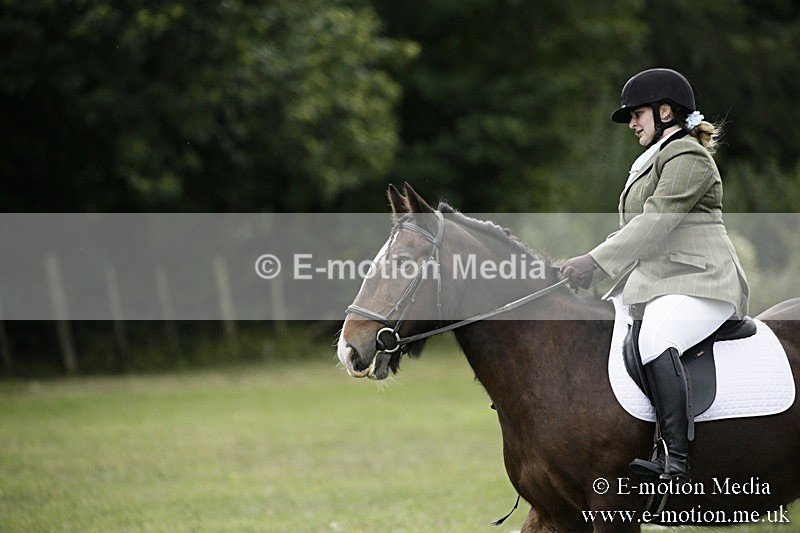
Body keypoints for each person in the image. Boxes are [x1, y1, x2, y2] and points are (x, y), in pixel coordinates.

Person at [561, 68, 749, 482]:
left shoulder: (688, 157)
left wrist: (593, 260)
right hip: (662, 284)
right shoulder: (655, 158)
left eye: (636, 114)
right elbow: (637, 231)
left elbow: (655, 222)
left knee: (655, 340)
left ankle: (675, 460)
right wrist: (593, 273)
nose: (631, 123)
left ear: (666, 111)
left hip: (702, 281)